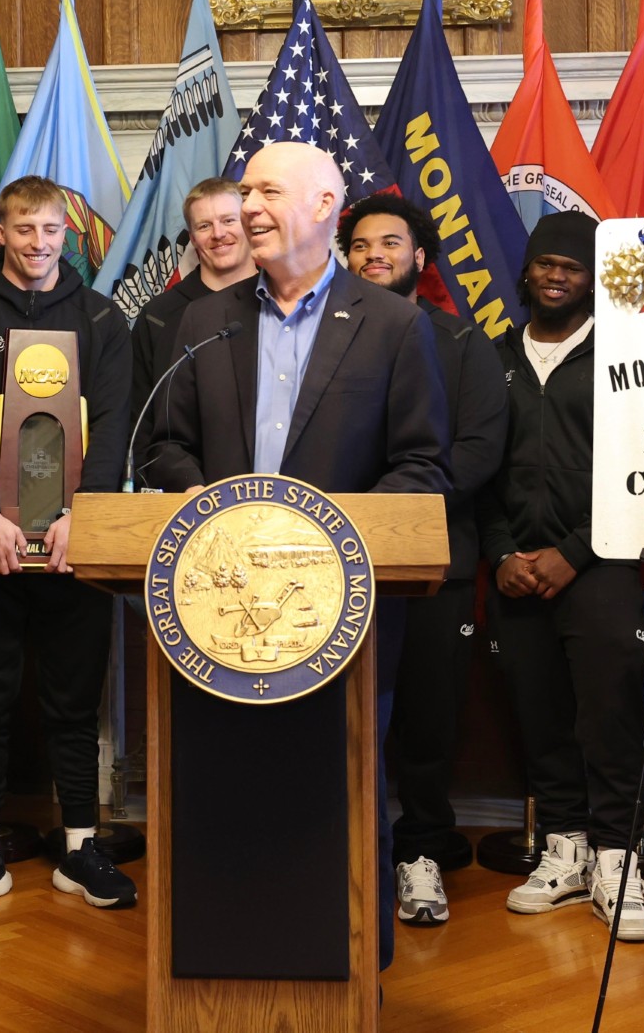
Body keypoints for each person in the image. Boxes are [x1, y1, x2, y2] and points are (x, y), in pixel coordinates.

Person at [145, 141, 450, 972]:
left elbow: (421, 464)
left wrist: (321, 545)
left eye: (267, 191)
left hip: (340, 610)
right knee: (226, 787)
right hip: (217, 606)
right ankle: (221, 967)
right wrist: (218, 520)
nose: (248, 208)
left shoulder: (394, 324)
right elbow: (165, 446)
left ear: (324, 206)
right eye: (245, 192)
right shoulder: (203, 321)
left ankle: (346, 966)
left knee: (337, 787)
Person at [0, 176, 137, 916]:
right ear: (2, 234)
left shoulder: (102, 319)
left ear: (66, 235)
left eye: (51, 230)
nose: (38, 244)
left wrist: (87, 513)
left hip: (75, 547)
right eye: (24, 230)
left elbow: (112, 426)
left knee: (74, 703)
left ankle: (80, 844)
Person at [474, 211, 644, 942]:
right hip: (516, 568)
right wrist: (501, 555)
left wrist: (573, 553)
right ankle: (565, 849)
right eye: (545, 264)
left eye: (572, 268)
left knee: (608, 714)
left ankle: (618, 855)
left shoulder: (626, 355)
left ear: (592, 281)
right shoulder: (492, 356)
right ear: (526, 272)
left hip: (602, 564)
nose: (556, 276)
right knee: (540, 713)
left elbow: (643, 463)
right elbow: (478, 472)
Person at [339, 192, 507, 927]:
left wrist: (391, 511)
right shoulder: (322, 339)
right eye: (362, 245)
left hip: (435, 560)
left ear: (421, 259)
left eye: (390, 244)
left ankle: (421, 856)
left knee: (429, 721)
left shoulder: (463, 343)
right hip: (337, 563)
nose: (375, 255)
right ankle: (344, 855)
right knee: (343, 721)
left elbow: (476, 451)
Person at [127, 177, 253, 481]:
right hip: (181, 493)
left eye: (228, 220)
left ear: (250, 226)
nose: (218, 234)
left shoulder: (281, 302)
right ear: (193, 239)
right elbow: (139, 420)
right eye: (204, 226)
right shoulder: (158, 316)